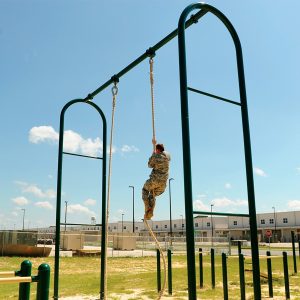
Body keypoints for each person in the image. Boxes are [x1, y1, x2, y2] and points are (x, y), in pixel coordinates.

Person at [142, 142, 171, 220]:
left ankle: (147, 207)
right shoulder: (167, 158)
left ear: (157, 150)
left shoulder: (156, 156)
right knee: (152, 195)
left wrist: (153, 154)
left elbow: (149, 165)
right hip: (163, 185)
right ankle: (149, 213)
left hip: (155, 181)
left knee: (145, 189)